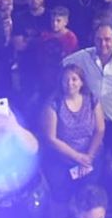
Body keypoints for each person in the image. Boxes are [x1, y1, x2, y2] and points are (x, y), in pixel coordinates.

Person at [41, 64, 106, 206]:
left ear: (82, 82)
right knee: (61, 198)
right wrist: (77, 157)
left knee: (87, 196)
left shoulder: (92, 99)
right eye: (66, 80)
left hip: (91, 156)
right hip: (63, 160)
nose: (70, 83)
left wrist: (88, 157)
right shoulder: (54, 104)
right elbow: (51, 138)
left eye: (74, 79)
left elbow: (100, 129)